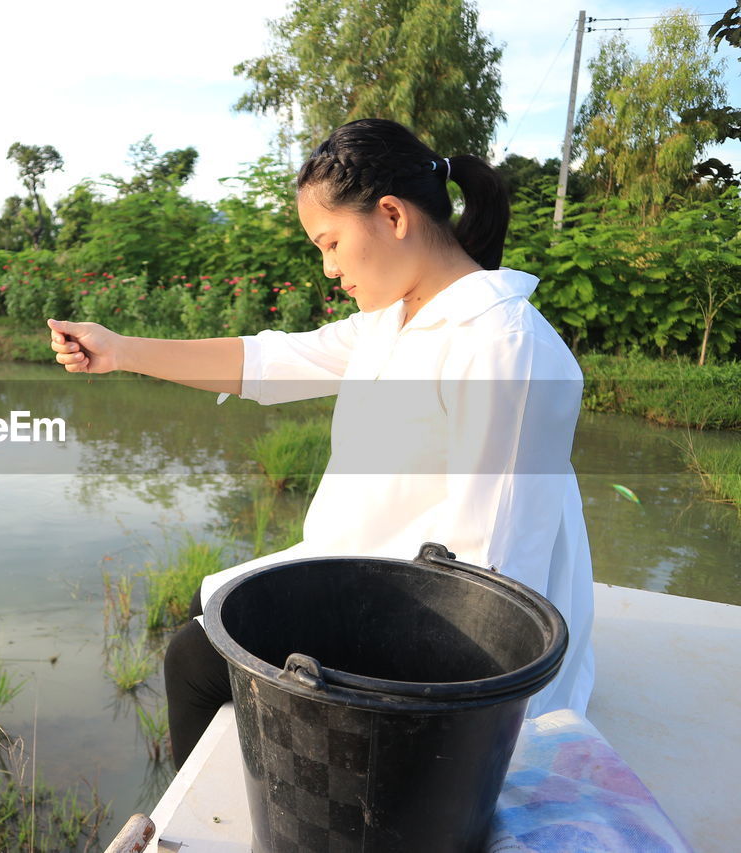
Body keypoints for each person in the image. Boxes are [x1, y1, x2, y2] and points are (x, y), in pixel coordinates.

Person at [45, 117, 594, 770]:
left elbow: (493, 578)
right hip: (380, 580)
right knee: (208, 602)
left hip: (442, 633)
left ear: (391, 215)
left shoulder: (504, 349)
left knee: (194, 659)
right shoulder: (396, 319)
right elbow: (269, 362)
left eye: (331, 242)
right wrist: (122, 350)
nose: (329, 268)